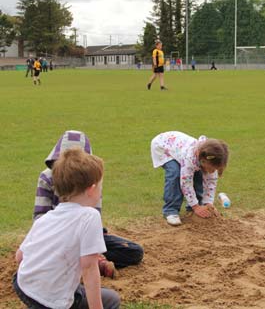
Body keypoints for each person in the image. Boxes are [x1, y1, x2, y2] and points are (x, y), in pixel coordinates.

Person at [13, 148, 121, 309]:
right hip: (53, 301)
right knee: (112, 299)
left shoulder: (46, 218)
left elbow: (19, 257)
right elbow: (90, 269)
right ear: (91, 190)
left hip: (23, 286)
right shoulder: (89, 216)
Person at [34, 130, 144, 270]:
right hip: (54, 236)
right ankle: (86, 263)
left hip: (84, 234)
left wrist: (94, 245)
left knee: (134, 252)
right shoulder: (47, 177)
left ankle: (79, 262)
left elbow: (94, 215)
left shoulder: (93, 178)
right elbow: (40, 216)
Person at [150, 131, 229, 226]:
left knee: (198, 175)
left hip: (178, 149)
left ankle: (192, 209)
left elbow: (211, 182)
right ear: (203, 161)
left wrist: (208, 202)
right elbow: (186, 184)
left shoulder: (211, 158)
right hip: (162, 148)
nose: (213, 171)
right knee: (175, 173)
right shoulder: (190, 159)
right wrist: (196, 207)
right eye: (212, 168)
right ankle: (171, 210)